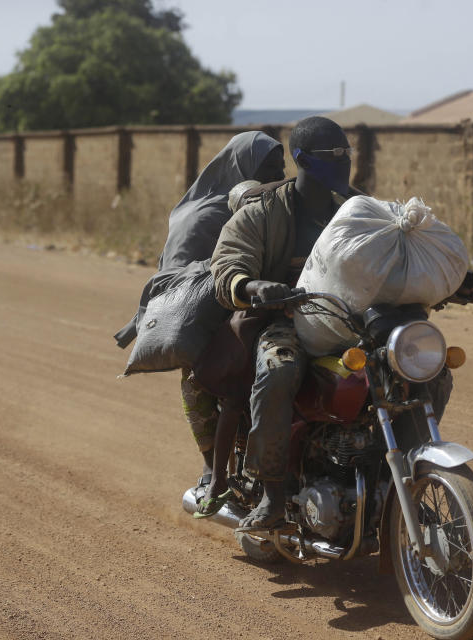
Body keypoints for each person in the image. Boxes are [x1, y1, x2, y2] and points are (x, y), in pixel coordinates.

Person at [114, 131, 285, 496]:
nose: (278, 174)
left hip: (268, 297)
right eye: (269, 167)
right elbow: (180, 278)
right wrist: (235, 276)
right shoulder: (205, 213)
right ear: (244, 168)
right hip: (207, 304)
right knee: (202, 374)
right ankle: (212, 465)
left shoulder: (274, 206)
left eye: (282, 166)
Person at [210, 116, 357, 529]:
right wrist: (255, 286)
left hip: (350, 322)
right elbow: (227, 270)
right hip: (286, 321)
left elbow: (392, 254)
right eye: (331, 156)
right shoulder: (262, 211)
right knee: (278, 372)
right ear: (303, 160)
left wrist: (457, 282)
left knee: (420, 368)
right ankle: (272, 491)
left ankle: (410, 467)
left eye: (346, 154)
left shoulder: (357, 209)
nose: (341, 163)